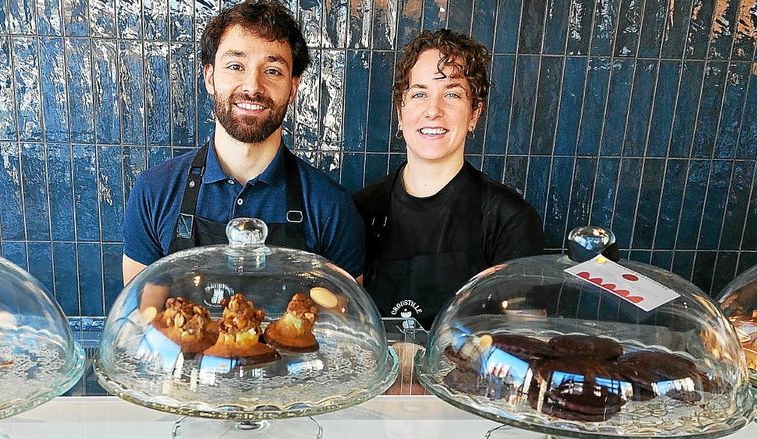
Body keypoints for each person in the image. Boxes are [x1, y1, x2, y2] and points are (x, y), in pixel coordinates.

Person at [123, 0, 364, 284]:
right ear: (210, 78)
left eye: (272, 70)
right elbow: (143, 307)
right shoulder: (154, 192)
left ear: (292, 88)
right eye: (236, 66)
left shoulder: (330, 206)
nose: (252, 86)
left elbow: (346, 309)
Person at [355, 29, 544, 331]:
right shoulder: (359, 211)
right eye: (419, 94)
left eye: (452, 94)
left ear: (474, 114)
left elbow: (523, 336)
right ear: (400, 112)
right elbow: (344, 324)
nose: (433, 110)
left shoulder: (510, 220)